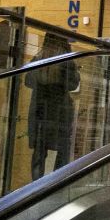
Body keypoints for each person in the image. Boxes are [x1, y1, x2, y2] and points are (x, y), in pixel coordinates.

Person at [24, 33, 80, 181]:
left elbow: (28, 81)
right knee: (63, 148)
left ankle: (35, 185)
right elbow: (73, 84)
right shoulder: (67, 60)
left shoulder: (38, 58)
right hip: (60, 110)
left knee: (39, 149)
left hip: (40, 109)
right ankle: (56, 183)